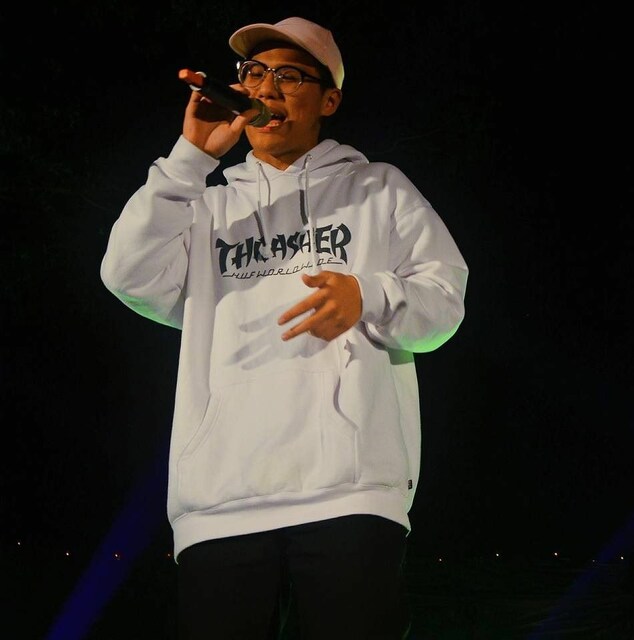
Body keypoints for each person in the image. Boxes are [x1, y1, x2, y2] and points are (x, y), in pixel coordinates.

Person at [100, 15, 469, 640]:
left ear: (329, 100)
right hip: (221, 500)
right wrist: (190, 159)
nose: (266, 88)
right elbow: (128, 277)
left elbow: (444, 306)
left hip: (351, 492)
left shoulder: (379, 189)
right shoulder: (205, 206)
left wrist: (369, 295)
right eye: (253, 73)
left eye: (289, 76)